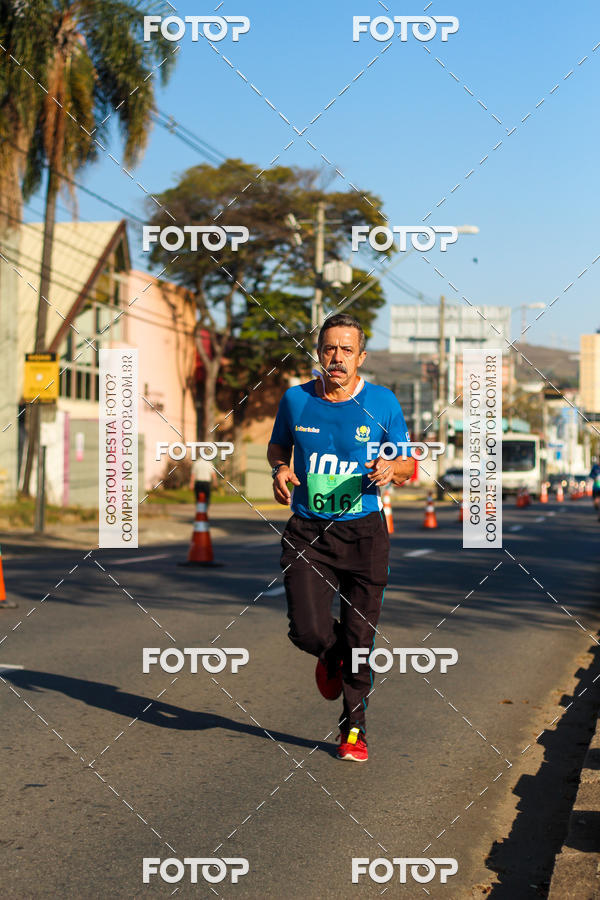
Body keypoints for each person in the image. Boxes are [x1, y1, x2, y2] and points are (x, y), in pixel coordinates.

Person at [267, 313, 414, 762]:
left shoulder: (383, 403)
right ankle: (329, 654)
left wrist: (393, 468)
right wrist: (281, 469)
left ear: (361, 357)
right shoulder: (296, 401)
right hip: (309, 530)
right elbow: (278, 445)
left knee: (360, 638)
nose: (337, 358)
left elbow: (409, 463)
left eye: (346, 350)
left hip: (364, 534)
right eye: (329, 348)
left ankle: (354, 731)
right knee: (308, 630)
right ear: (319, 354)